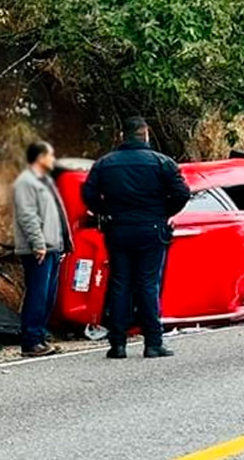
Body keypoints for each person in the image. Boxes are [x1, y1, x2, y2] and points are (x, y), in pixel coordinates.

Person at [83, 116, 191, 359]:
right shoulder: (162, 162)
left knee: (120, 284)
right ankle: (153, 343)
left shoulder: (104, 164)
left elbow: (88, 195)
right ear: (146, 135)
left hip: (118, 228)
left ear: (122, 136)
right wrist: (163, 213)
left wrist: (106, 212)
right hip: (151, 228)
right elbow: (182, 193)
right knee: (148, 284)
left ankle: (118, 344)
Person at [13, 141, 74, 357]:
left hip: (53, 247)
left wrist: (64, 243)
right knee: (37, 294)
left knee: (48, 296)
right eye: (50, 155)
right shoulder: (26, 182)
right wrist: (38, 243)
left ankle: (40, 336)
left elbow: (57, 215)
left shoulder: (45, 181)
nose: (53, 159)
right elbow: (27, 215)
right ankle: (30, 341)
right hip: (38, 249)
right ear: (39, 157)